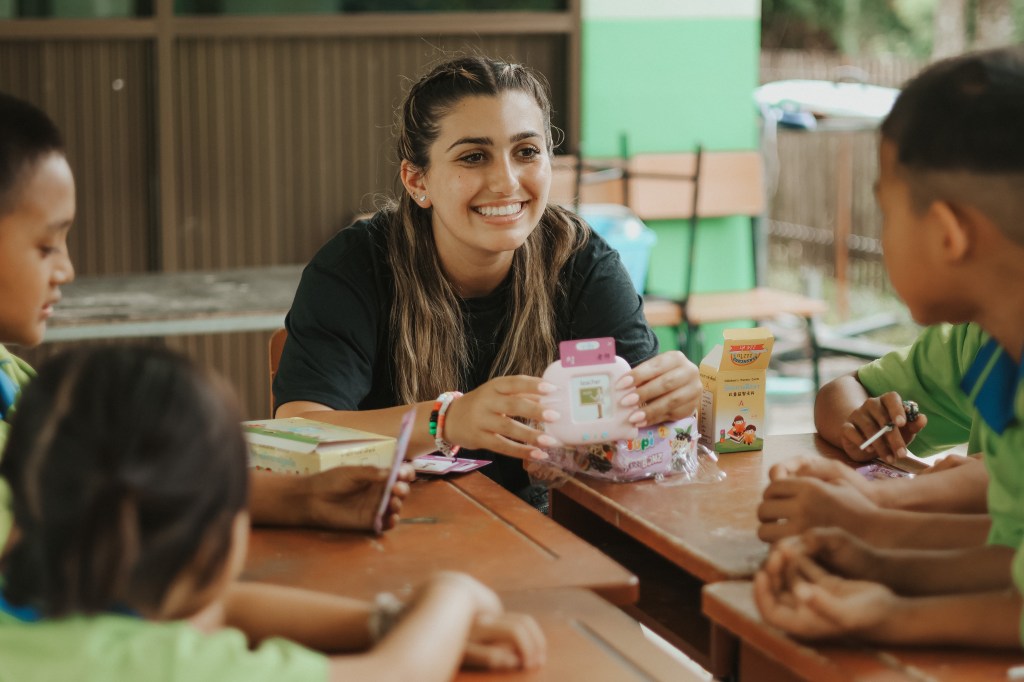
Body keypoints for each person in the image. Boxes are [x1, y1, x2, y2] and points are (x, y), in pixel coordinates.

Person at [273, 55, 701, 503]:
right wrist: (447, 420)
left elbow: (642, 444)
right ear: (417, 180)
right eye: (474, 156)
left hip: (542, 538)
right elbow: (297, 434)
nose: (506, 181)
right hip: (389, 531)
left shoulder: (581, 260)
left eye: (527, 152)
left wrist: (674, 400)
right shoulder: (355, 265)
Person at [0, 90, 411, 536]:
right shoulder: (358, 261)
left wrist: (303, 497)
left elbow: (126, 494)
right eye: (45, 246)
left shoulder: (13, 380)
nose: (66, 269)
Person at [0, 345, 545, 680]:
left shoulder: (42, 598)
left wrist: (387, 622)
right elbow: (394, 674)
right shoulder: (156, 666)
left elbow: (223, 607)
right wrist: (451, 594)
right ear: (210, 540)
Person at [754, 46, 1024, 647]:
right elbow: (1014, 555)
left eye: (887, 209)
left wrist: (890, 606)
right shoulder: (999, 356)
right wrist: (873, 559)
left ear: (949, 234)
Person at [757, 324, 992, 549]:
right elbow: (843, 389)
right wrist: (860, 428)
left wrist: (880, 501)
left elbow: (1008, 484)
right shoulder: (980, 338)